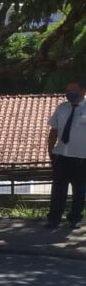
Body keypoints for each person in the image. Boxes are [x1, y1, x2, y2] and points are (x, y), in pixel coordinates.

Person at [46, 82, 86, 229]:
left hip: (82, 158)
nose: (69, 94)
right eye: (67, 91)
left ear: (83, 90)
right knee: (58, 190)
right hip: (61, 155)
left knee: (79, 191)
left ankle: (74, 218)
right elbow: (53, 131)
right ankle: (54, 219)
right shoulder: (62, 108)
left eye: (73, 91)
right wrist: (50, 151)